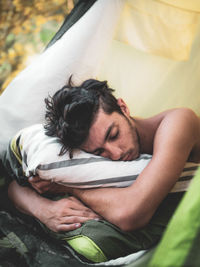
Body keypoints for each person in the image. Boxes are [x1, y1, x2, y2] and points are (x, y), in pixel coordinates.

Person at [8, 78, 200, 233]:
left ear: (123, 108)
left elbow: (131, 215)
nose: (115, 154)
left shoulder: (179, 122)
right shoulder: (92, 152)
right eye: (99, 152)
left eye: (114, 135)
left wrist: (69, 187)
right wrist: (44, 210)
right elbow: (15, 186)